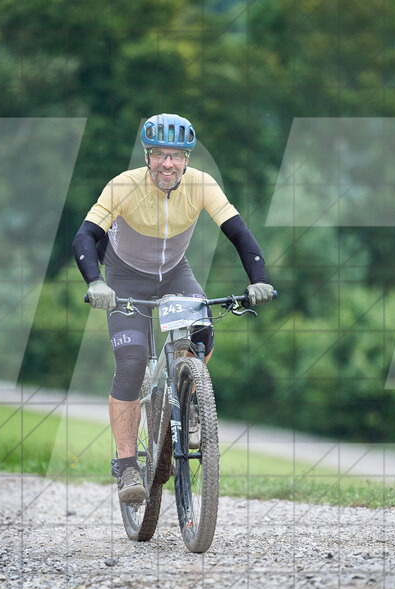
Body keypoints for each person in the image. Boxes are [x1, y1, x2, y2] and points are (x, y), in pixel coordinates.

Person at [72, 113, 275, 503]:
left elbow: (238, 232)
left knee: (202, 332)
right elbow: (86, 235)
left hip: (174, 274)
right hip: (124, 278)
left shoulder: (201, 185)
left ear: (186, 160)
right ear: (148, 157)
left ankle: (190, 392)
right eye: (160, 155)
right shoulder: (122, 186)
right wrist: (96, 282)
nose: (168, 164)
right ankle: (128, 465)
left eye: (177, 156)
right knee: (131, 362)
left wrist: (258, 278)